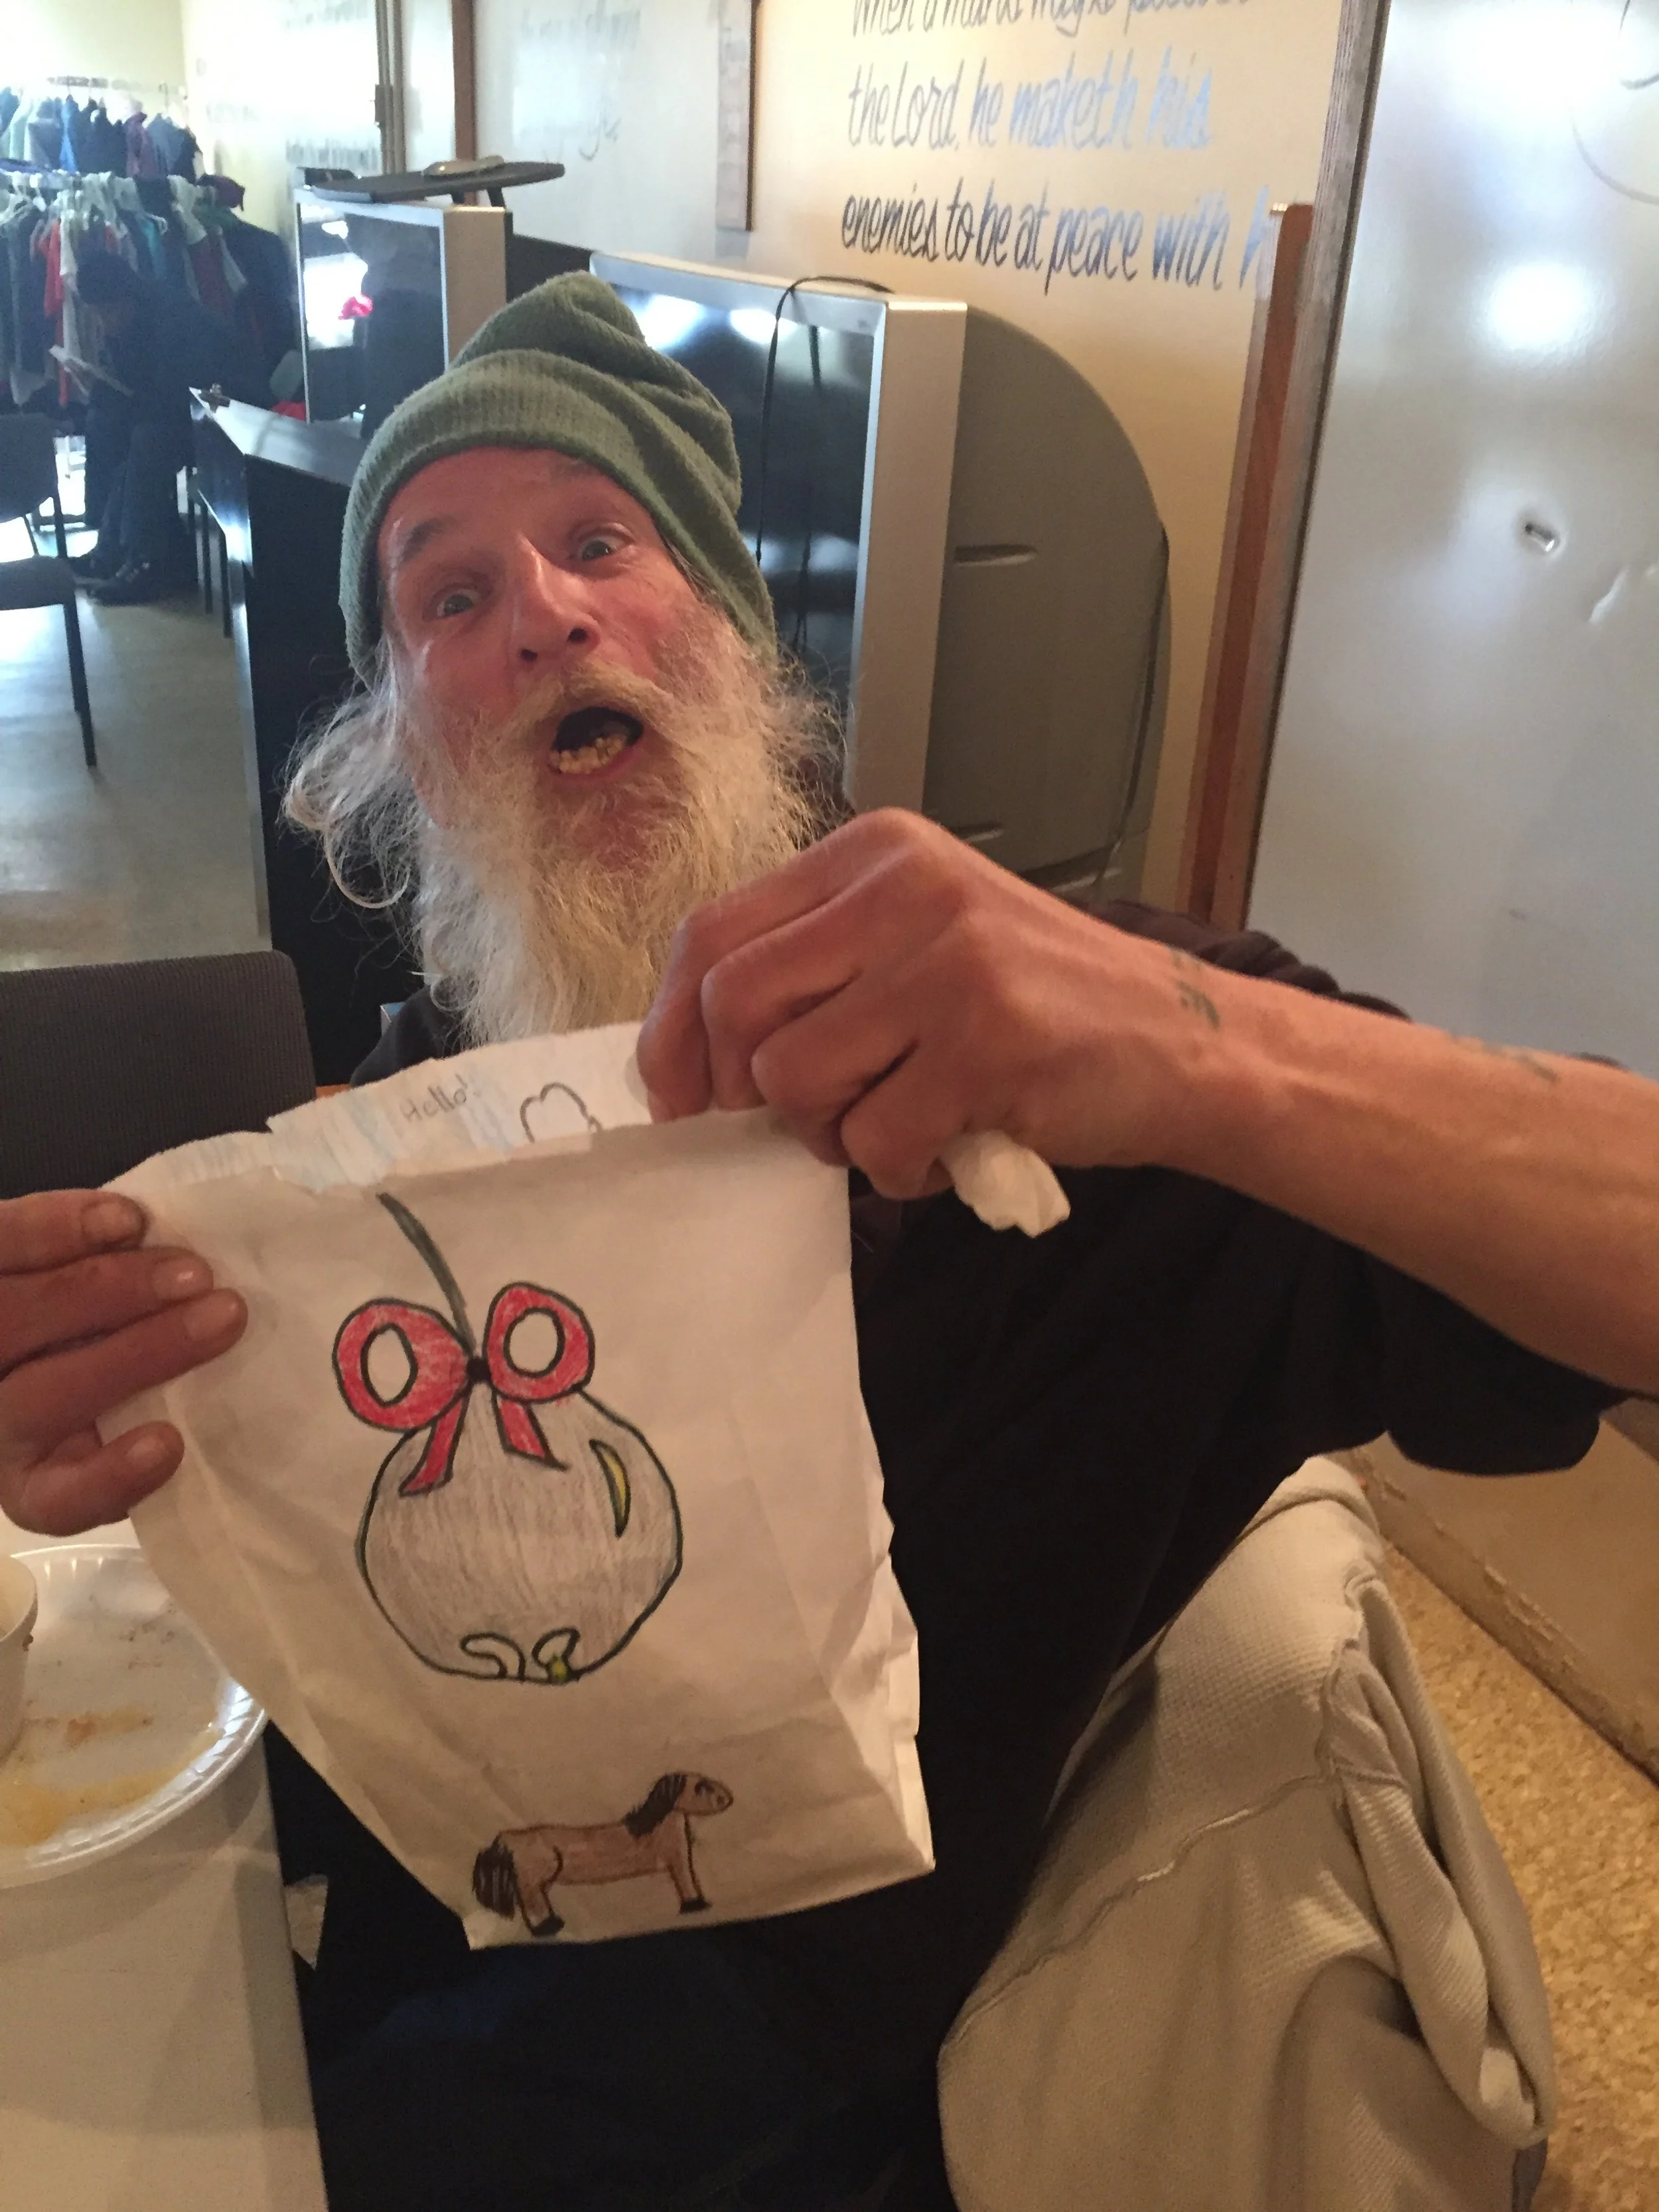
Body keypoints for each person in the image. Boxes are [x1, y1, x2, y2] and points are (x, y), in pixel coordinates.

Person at [1, 275, 1655, 2211]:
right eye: (449, 596)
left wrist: (1204, 1050)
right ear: (397, 740)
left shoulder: (1084, 1080)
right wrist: (91, 1473)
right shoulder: (338, 1186)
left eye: (603, 544)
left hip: (742, 2070)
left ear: (732, 636)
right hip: (299, 1950)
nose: (540, 610)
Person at [69, 248, 265, 606]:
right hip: (188, 409)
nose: (105, 322)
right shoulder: (132, 321)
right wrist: (99, 391)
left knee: (147, 441)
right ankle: (119, 551)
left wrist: (105, 393)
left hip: (229, 409)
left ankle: (145, 560)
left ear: (127, 298)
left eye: (108, 312)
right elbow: (146, 395)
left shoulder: (172, 320)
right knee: (112, 429)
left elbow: (171, 397)